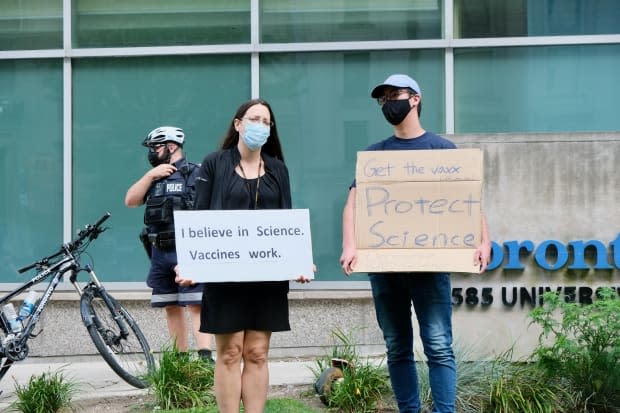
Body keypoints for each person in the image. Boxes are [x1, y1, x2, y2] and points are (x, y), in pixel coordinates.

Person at [340, 74, 491, 413]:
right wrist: (350, 245)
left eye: (395, 94)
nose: (389, 102)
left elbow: (468, 202)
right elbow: (353, 203)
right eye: (384, 98)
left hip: (430, 268)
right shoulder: (375, 155)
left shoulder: (442, 150)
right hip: (386, 268)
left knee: (438, 345)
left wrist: (484, 239)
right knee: (397, 347)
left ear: (416, 99)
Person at [174, 99, 311, 413]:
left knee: (258, 352)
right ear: (237, 124)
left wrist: (299, 261)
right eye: (253, 118)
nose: (259, 125)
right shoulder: (214, 163)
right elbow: (199, 216)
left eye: (265, 121)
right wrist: (191, 262)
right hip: (225, 275)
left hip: (268, 278)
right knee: (230, 352)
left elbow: (286, 221)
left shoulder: (278, 169)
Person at [125, 126, 214, 361]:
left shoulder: (196, 172)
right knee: (171, 305)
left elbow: (215, 207)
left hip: (187, 250)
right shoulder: (154, 177)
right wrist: (149, 176)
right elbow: (131, 201)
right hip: (159, 252)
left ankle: (205, 358)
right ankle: (180, 360)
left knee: (196, 304)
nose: (153, 152)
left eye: (156, 146)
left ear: (171, 146)